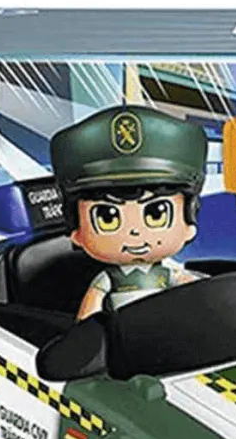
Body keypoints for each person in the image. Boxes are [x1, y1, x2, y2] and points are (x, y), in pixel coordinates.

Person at [50, 106, 208, 321]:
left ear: (188, 221)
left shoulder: (169, 274)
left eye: (156, 214)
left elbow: (196, 293)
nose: (134, 231)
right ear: (77, 232)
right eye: (107, 218)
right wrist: (85, 332)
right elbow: (88, 317)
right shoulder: (108, 280)